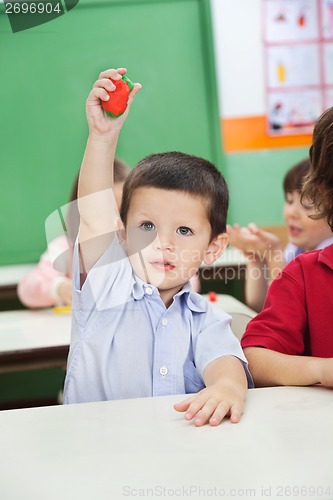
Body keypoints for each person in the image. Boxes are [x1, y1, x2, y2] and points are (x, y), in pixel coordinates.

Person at [63, 67, 253, 426]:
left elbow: (225, 363)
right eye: (147, 226)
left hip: (174, 458)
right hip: (91, 456)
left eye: (183, 230)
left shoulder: (206, 319)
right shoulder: (106, 285)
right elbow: (94, 216)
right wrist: (103, 137)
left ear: (214, 248)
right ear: (123, 234)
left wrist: (228, 387)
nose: (162, 244)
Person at [241, 106, 333, 389]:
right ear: (323, 193)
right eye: (289, 201)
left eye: (300, 204)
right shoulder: (306, 270)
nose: (292, 213)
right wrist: (323, 369)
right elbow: (253, 359)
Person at [17, 158, 130, 308]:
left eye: (122, 212)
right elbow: (27, 289)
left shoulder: (139, 250)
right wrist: (59, 288)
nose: (114, 222)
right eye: (103, 212)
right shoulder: (66, 247)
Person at [227, 158, 333, 311]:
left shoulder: (327, 256)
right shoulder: (296, 249)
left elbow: (289, 308)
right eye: (289, 201)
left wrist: (273, 255)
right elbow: (261, 305)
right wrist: (256, 259)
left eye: (307, 206)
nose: (291, 213)